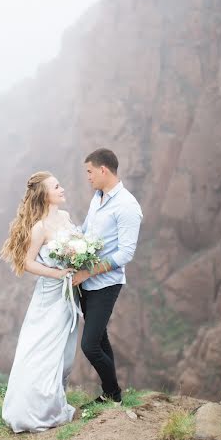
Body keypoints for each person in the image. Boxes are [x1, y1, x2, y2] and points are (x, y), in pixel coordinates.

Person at [0, 171, 80, 432]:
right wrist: (58, 273)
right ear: (45, 195)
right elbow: (27, 262)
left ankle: (53, 403)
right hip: (49, 296)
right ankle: (30, 412)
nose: (62, 189)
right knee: (40, 350)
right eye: (57, 186)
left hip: (68, 295)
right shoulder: (40, 227)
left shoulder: (65, 218)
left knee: (62, 352)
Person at [72, 148, 143, 405]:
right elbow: (87, 231)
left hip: (105, 284)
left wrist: (87, 272)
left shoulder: (127, 206)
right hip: (87, 282)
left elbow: (125, 254)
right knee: (100, 339)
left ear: (103, 170)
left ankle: (113, 393)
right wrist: (68, 243)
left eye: (90, 172)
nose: (88, 177)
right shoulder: (97, 197)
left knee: (89, 345)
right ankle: (113, 396)